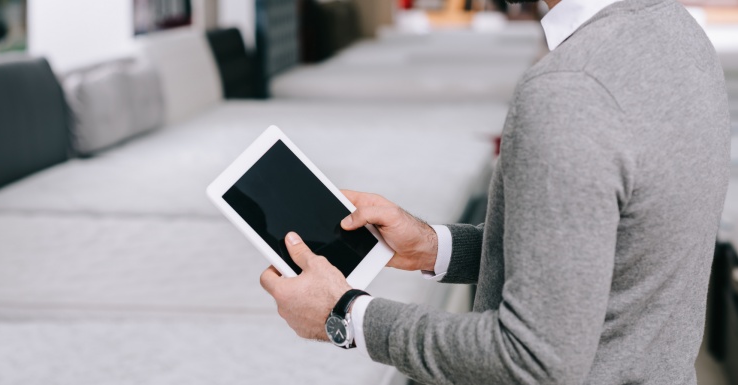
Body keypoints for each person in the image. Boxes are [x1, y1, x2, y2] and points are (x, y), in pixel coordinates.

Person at [259, 0, 731, 383]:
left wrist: (345, 315)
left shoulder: (567, 91)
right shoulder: (678, 30)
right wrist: (433, 247)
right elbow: (606, 258)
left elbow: (532, 358)